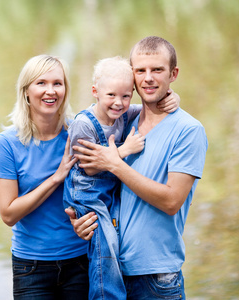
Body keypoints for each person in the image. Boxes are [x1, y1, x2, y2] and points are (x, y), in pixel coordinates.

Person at [68, 36, 208, 299]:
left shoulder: (188, 130)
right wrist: (83, 219)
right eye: (140, 71)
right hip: (114, 272)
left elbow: (171, 201)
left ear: (173, 74)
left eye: (157, 70)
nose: (148, 78)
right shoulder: (125, 121)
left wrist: (115, 164)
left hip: (156, 279)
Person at [0, 54, 90, 299]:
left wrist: (165, 98)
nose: (51, 91)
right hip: (31, 266)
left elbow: (116, 107)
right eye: (41, 83)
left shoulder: (80, 131)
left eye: (58, 83)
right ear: (26, 91)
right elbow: (8, 214)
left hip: (80, 261)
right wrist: (56, 178)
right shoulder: (7, 143)